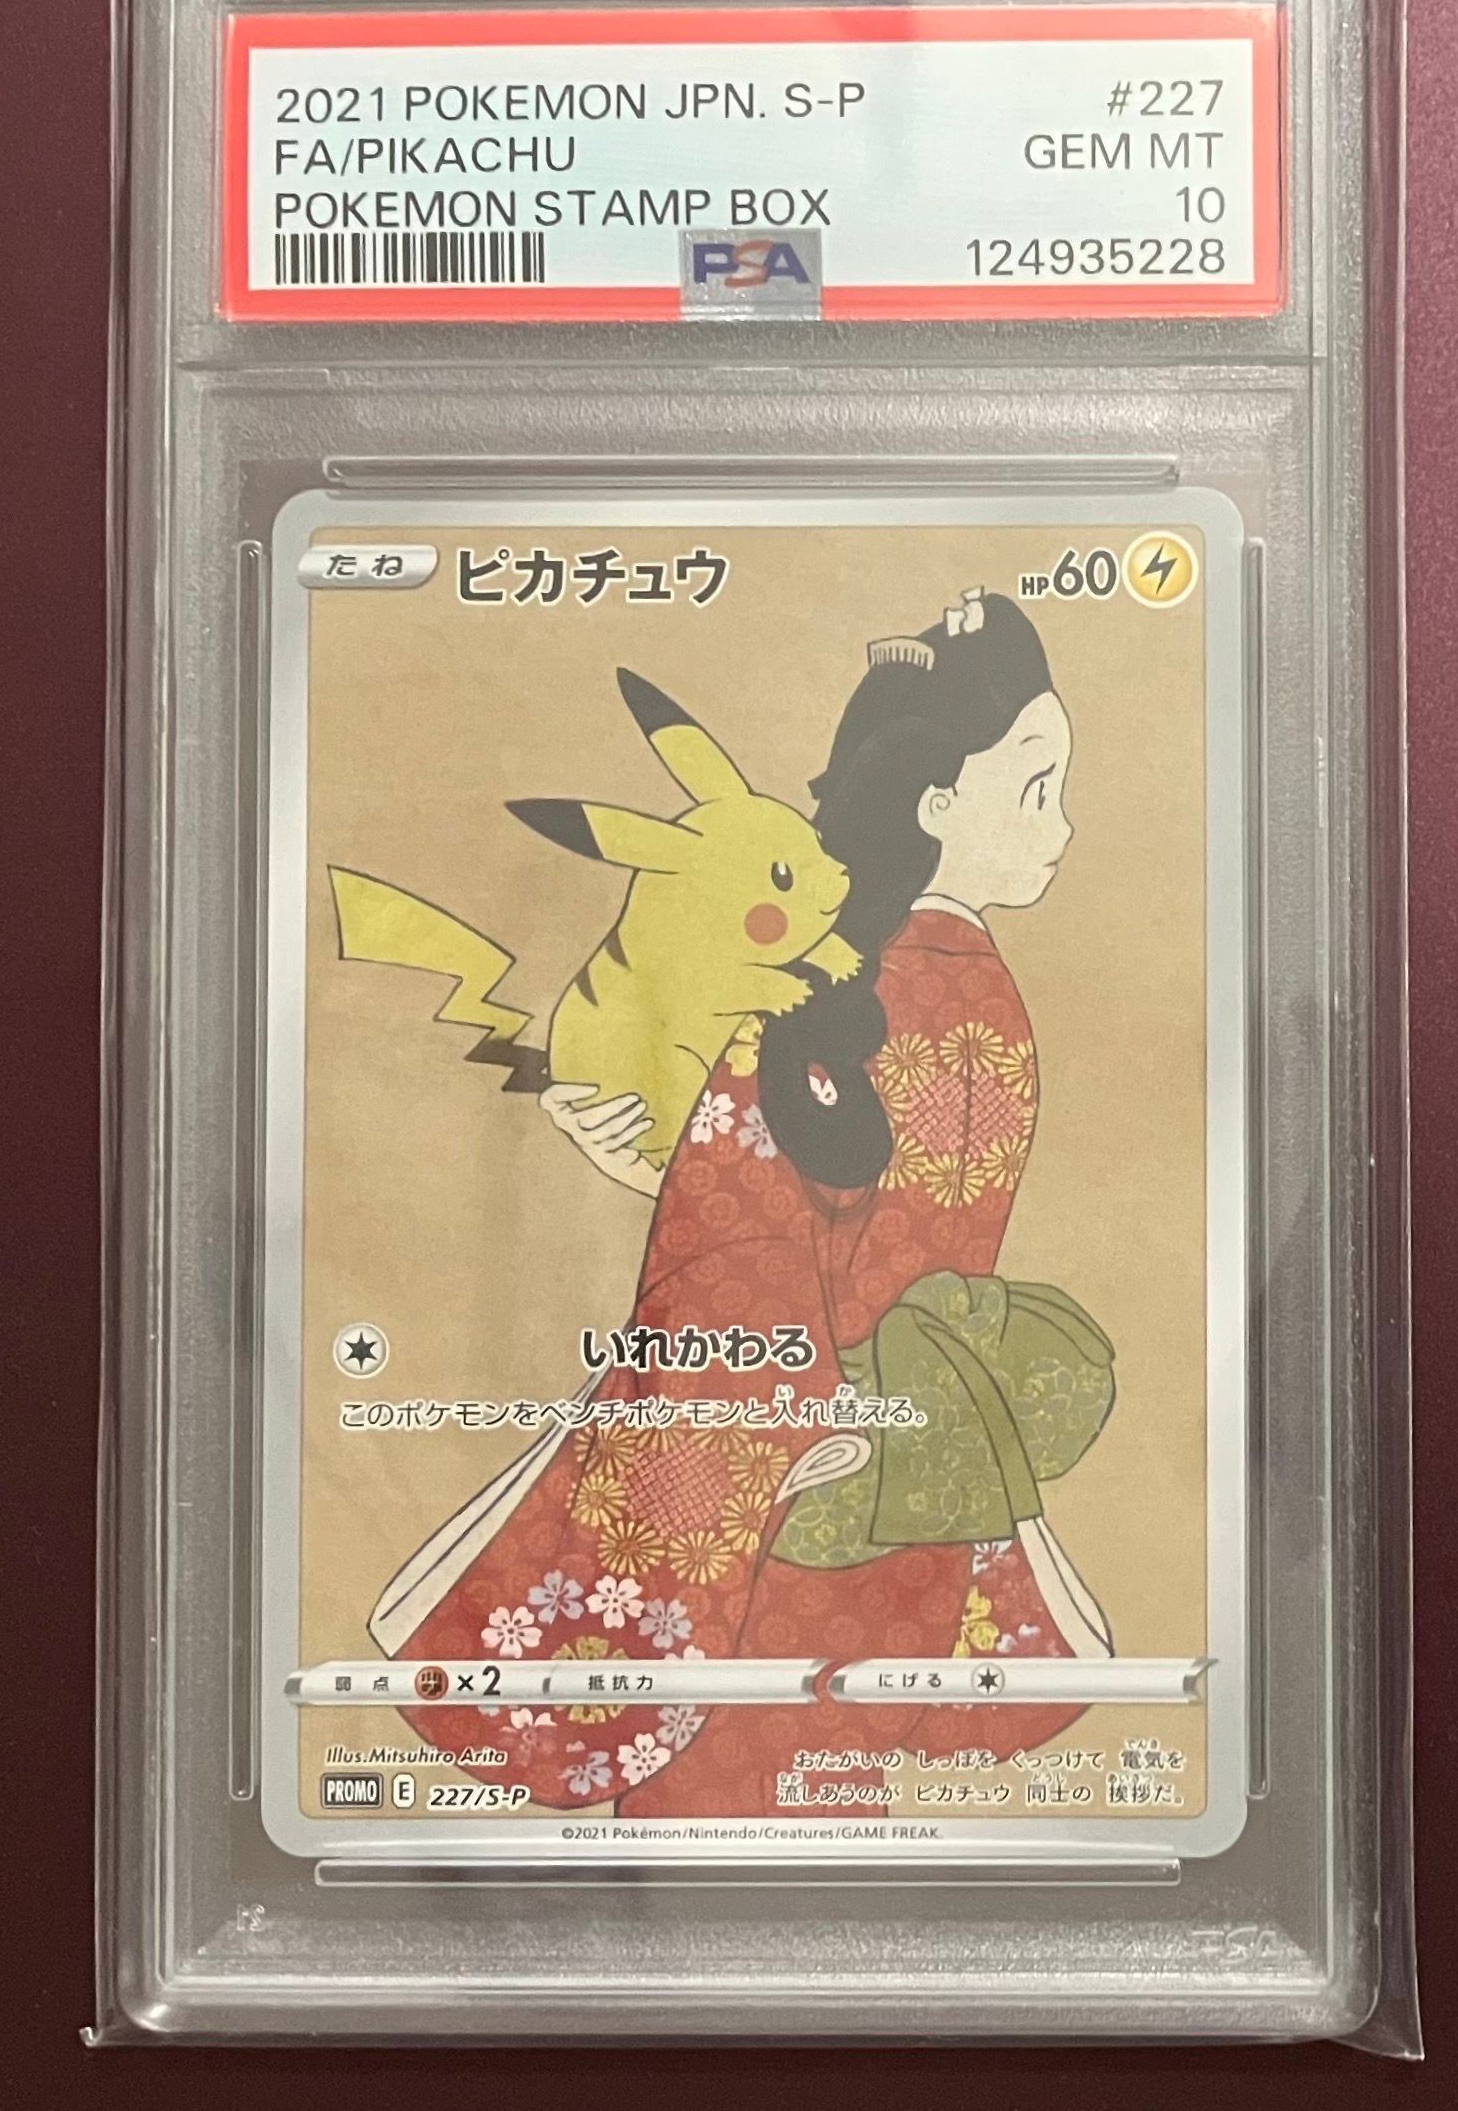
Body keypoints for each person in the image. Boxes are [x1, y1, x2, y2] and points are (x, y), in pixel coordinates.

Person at [381, 590, 1111, 1815]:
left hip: (794, 1473)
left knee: (729, 1804)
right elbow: (858, 1205)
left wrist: (751, 1404)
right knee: (817, 1800)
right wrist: (660, 1162)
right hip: (907, 1466)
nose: (1063, 825)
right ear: (934, 805)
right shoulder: (958, 990)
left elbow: (754, 1244)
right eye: (1037, 788)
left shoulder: (842, 1001)